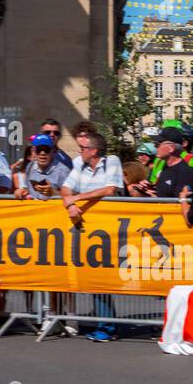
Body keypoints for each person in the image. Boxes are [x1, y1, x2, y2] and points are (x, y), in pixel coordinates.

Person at [60, 132, 124, 342]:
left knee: (101, 277)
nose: (80, 152)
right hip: (85, 228)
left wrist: (76, 198)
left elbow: (110, 189)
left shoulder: (112, 161)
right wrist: (70, 203)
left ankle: (107, 326)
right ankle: (103, 323)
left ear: (94, 151)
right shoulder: (79, 162)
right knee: (88, 276)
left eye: (84, 148)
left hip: (109, 229)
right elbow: (66, 188)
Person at [14, 134, 71, 199]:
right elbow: (28, 189)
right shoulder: (30, 167)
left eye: (46, 149)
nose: (42, 153)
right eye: (39, 149)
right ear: (34, 151)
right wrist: (22, 191)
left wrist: (54, 193)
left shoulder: (63, 170)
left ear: (52, 151)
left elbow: (71, 196)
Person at [145, 127, 193, 198]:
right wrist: (148, 190)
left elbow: (179, 203)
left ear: (171, 148)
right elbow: (165, 193)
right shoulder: (165, 166)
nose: (155, 147)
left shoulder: (185, 171)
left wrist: (155, 198)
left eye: (158, 144)